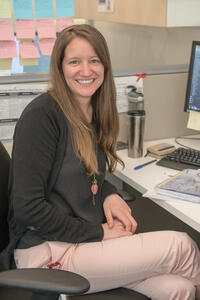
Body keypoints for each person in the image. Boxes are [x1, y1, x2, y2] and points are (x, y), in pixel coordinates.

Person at [8, 24, 200, 300]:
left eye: (94, 61)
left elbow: (86, 174)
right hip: (49, 251)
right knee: (181, 246)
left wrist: (109, 194)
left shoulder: (90, 112)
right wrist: (97, 232)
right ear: (60, 67)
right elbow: (27, 209)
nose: (86, 71)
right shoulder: (42, 117)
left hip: (81, 244)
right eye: (75, 61)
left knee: (178, 290)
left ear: (105, 66)